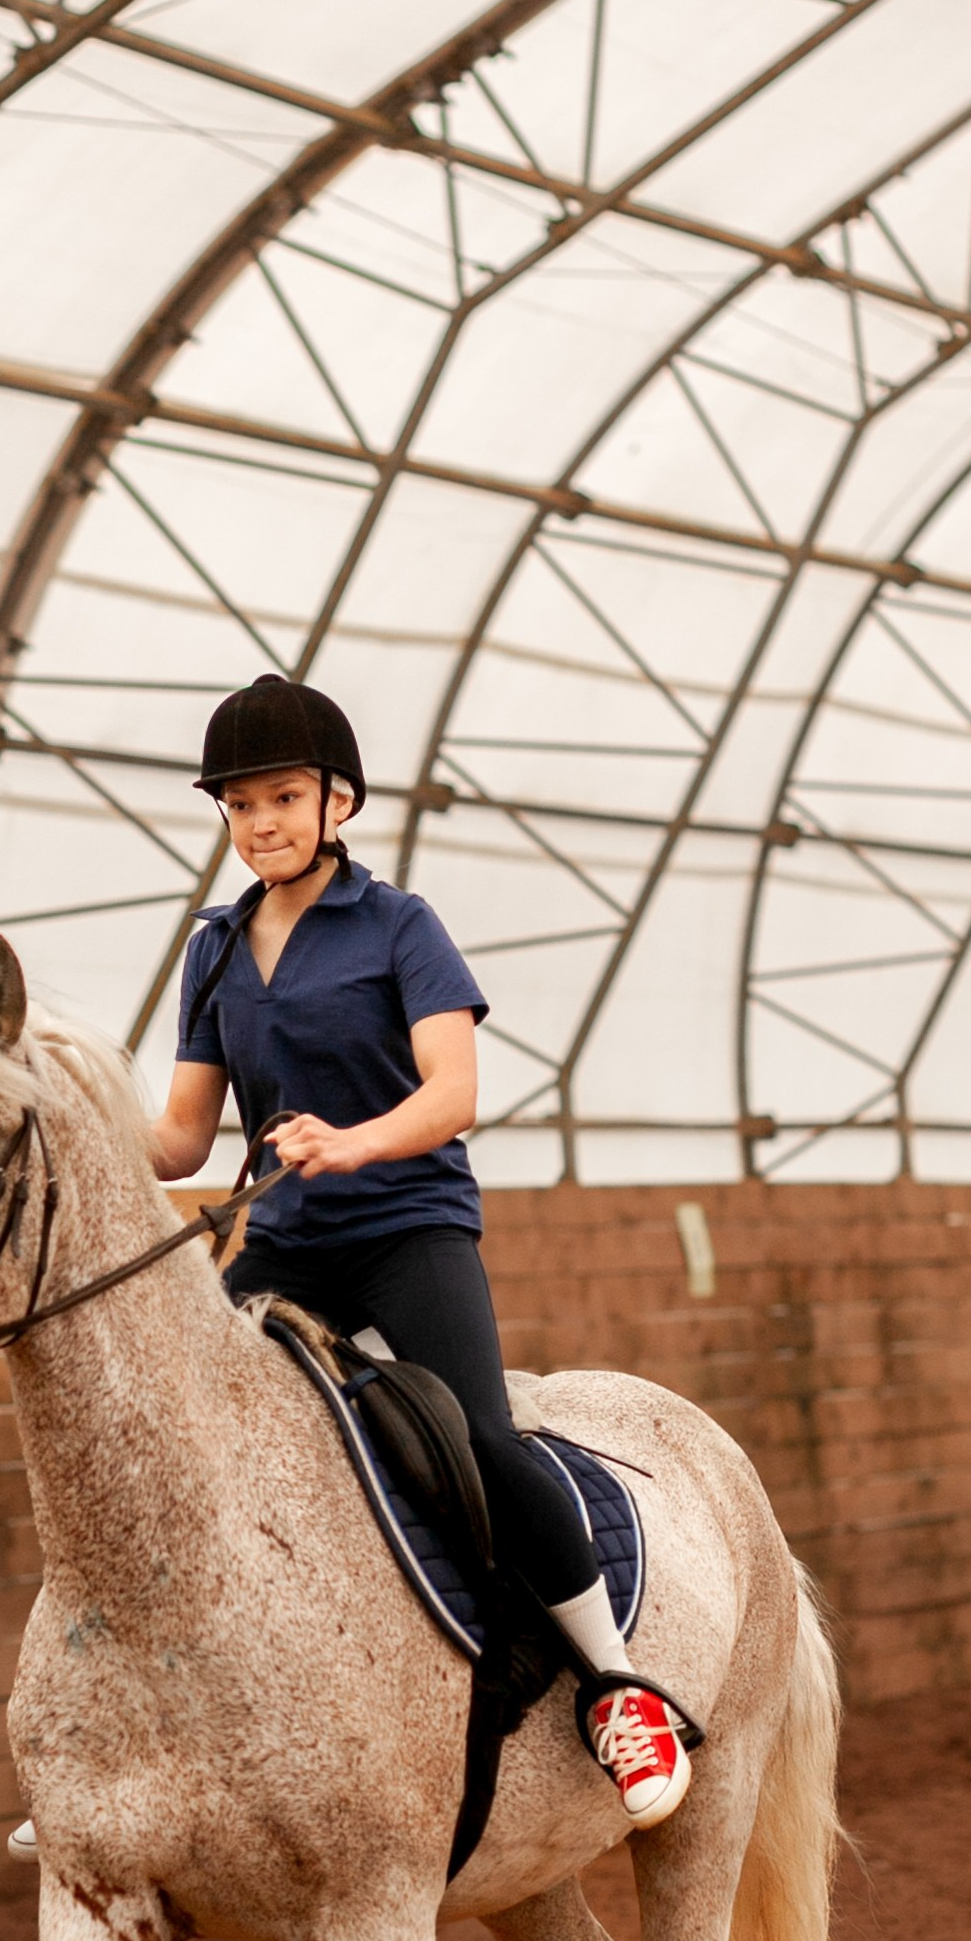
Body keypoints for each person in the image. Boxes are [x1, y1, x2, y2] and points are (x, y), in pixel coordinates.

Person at [144, 671, 695, 1828]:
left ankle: (614, 1682)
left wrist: (350, 1144)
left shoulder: (400, 926)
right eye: (240, 807)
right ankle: (156, 1730)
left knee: (482, 1436)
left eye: (283, 797)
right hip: (283, 1244)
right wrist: (51, 1114)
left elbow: (453, 1093)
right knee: (170, 1446)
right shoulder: (213, 951)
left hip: (406, 1229)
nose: (261, 824)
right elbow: (183, 1138)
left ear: (339, 801)